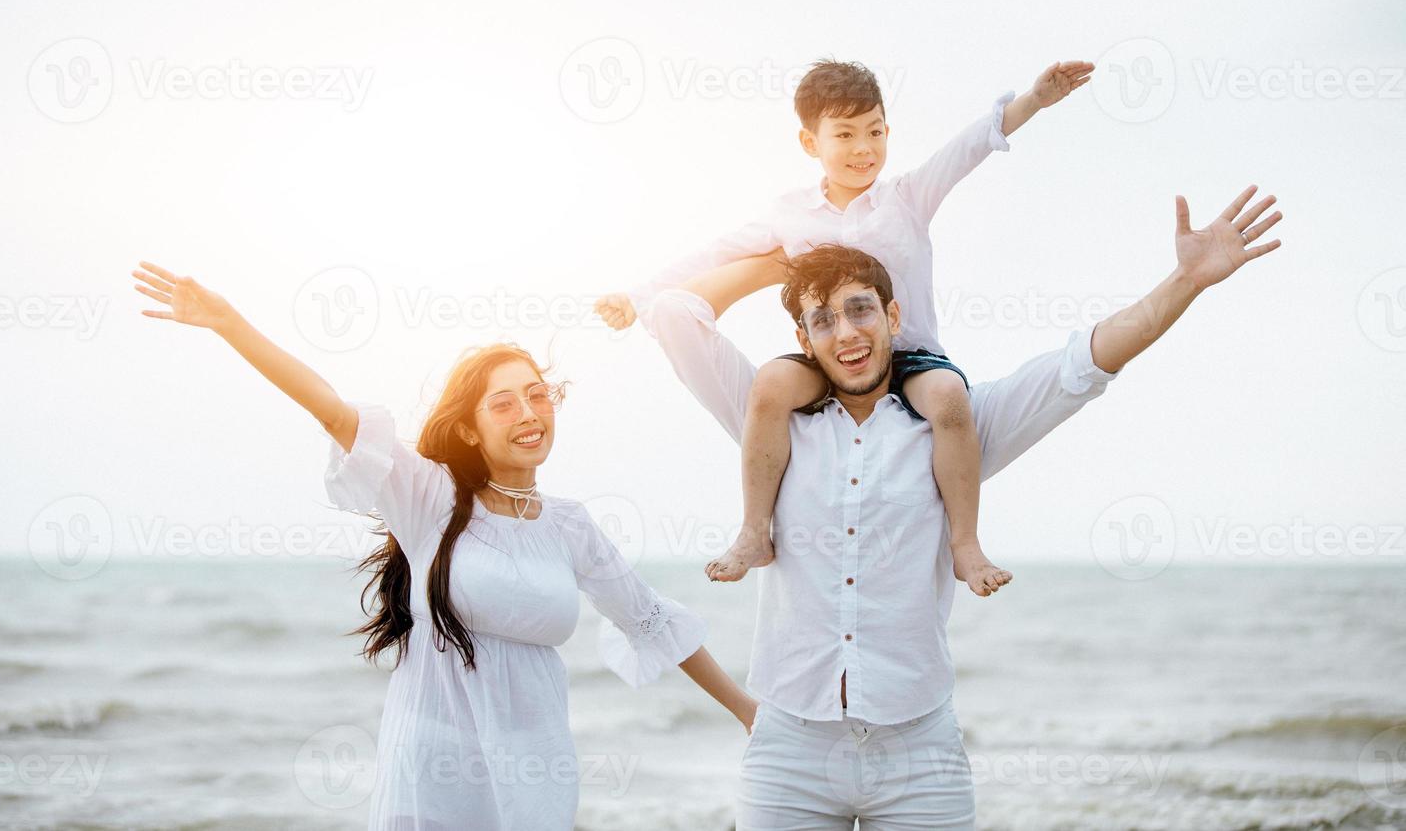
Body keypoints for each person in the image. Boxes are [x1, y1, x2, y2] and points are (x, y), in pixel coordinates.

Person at [635, 186, 1281, 828]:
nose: (847, 332)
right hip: (788, 753)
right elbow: (671, 314)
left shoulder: (958, 426)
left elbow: (1080, 365)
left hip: (919, 755)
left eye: (860, 310)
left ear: (892, 317)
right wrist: (783, 260)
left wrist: (1186, 281)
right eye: (823, 319)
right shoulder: (770, 421)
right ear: (803, 337)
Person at [129, 262, 757, 830]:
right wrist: (228, 323)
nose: (529, 412)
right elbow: (332, 412)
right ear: (470, 427)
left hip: (535, 771)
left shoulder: (570, 526)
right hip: (432, 767)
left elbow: (649, 619)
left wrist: (749, 713)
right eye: (504, 403)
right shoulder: (427, 497)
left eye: (538, 394)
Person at [597, 58, 1095, 593]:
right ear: (811, 143)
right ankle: (753, 531)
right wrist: (638, 295)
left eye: (875, 132)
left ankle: (966, 546)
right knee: (768, 385)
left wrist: (1034, 101)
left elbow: (966, 149)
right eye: (845, 134)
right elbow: (715, 251)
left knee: (951, 397)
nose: (864, 148)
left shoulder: (906, 196)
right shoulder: (789, 213)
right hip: (828, 360)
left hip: (910, 360)